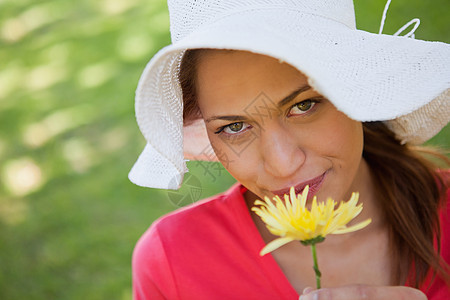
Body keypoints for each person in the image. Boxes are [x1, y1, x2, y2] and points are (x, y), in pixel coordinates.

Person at [129, 0, 450, 299]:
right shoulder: (172, 263)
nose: (283, 165)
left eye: (304, 105)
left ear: (354, 90)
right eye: (234, 127)